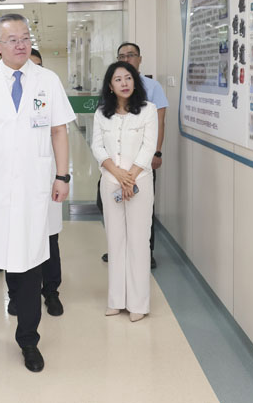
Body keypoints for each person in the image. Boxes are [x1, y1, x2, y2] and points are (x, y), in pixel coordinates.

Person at [0, 13, 74, 373]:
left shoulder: (47, 80)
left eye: (25, 38)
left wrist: (62, 175)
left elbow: (59, 131)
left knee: (29, 265)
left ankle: (28, 339)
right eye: (13, 39)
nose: (21, 44)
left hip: (32, 187)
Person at [92, 61, 158, 322]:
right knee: (115, 241)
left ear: (135, 81)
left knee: (139, 241)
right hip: (111, 181)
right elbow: (98, 147)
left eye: (128, 78)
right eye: (118, 79)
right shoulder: (102, 113)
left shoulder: (148, 110)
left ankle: (138, 303)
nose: (124, 83)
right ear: (110, 86)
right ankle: (116, 300)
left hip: (139, 180)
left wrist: (130, 177)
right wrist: (118, 174)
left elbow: (149, 146)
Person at [7, 48, 67, 317]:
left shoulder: (49, 86)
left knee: (49, 237)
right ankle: (15, 295)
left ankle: (51, 292)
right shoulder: (6, 92)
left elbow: (60, 132)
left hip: (46, 175)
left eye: (36, 65)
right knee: (15, 238)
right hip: (14, 179)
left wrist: (62, 176)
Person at [109, 42, 168, 269]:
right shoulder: (111, 87)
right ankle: (119, 248)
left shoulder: (152, 87)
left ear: (140, 59)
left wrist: (156, 152)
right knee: (113, 204)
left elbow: (160, 122)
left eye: (131, 55)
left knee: (142, 208)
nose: (126, 59)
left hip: (142, 163)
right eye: (122, 56)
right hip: (115, 165)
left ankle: (145, 251)